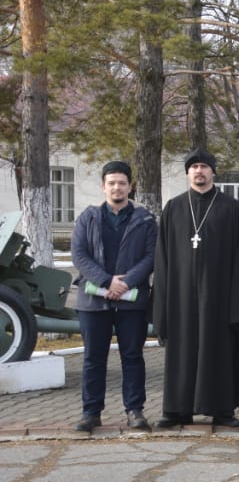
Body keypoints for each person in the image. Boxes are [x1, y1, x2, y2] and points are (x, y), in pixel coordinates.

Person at [153, 147, 239, 428]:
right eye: (194, 167)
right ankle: (177, 410)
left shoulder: (230, 208)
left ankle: (222, 410)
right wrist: (162, 304)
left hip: (219, 298)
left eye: (204, 167)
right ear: (188, 173)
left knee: (219, 351)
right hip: (181, 297)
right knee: (182, 351)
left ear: (213, 172)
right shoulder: (173, 208)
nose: (199, 171)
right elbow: (162, 259)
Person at [70, 161, 157, 432]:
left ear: (130, 186)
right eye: (111, 183)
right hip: (94, 301)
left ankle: (135, 410)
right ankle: (91, 412)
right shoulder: (88, 217)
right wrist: (107, 281)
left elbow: (152, 256)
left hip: (132, 301)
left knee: (132, 356)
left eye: (122, 183)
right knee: (93, 358)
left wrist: (127, 281)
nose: (117, 187)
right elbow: (79, 255)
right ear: (103, 186)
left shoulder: (145, 220)